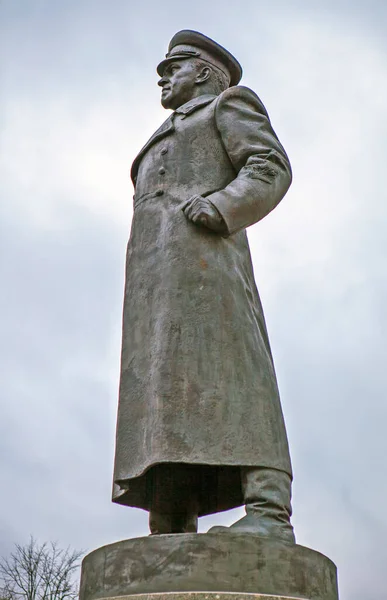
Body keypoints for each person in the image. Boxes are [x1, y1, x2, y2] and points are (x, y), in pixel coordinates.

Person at [112, 30, 295, 544]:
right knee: (164, 394)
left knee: (238, 378)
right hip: (155, 286)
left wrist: (222, 206)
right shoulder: (162, 132)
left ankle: (268, 510)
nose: (163, 75)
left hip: (209, 267)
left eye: (174, 65)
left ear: (206, 72)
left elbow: (268, 164)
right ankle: (171, 516)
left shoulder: (228, 104)